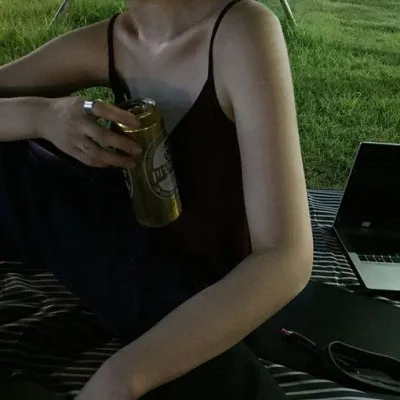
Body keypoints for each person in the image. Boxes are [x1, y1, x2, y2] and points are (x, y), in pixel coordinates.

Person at [0, 0, 313, 399]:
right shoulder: (117, 39)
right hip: (124, 261)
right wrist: (41, 116)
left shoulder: (241, 32)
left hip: (205, 302)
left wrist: (122, 377)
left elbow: (286, 257)